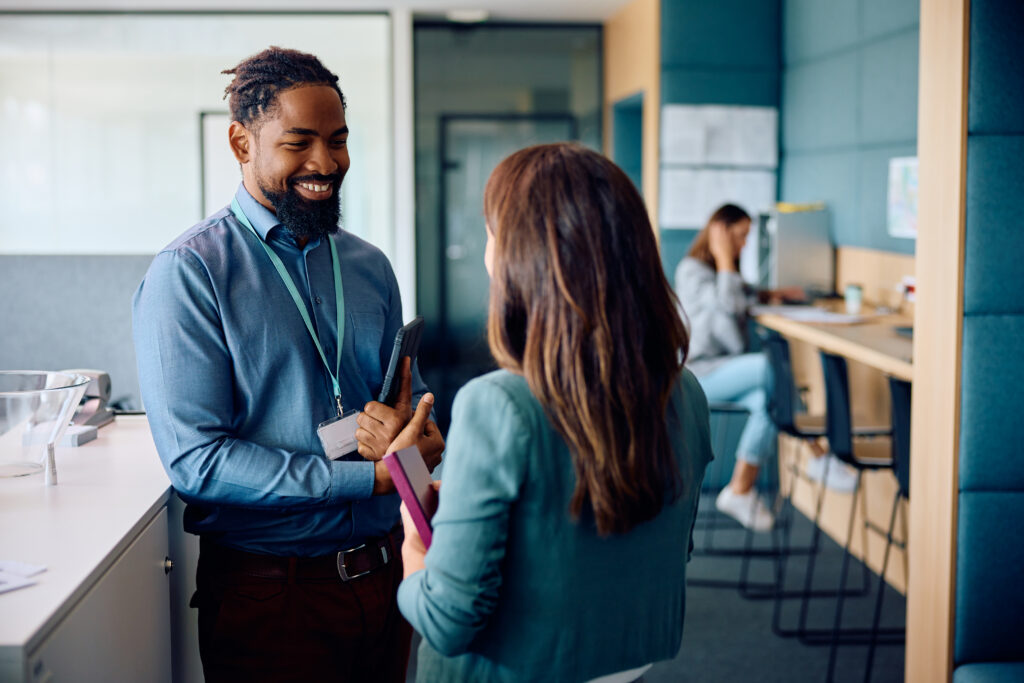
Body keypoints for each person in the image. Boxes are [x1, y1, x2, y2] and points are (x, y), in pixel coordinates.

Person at [132, 46, 442, 682]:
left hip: (385, 575)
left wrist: (421, 439)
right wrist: (371, 480)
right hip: (271, 592)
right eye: (299, 141)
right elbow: (198, 462)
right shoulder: (190, 273)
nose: (325, 163)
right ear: (241, 143)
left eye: (338, 140)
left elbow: (400, 407)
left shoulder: (368, 266)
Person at [364, 143, 714, 683]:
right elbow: (655, 549)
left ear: (516, 257)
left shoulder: (498, 404)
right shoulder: (686, 391)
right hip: (626, 662)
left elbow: (445, 620)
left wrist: (416, 533)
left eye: (490, 233)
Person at [674, 204, 808, 531]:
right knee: (769, 368)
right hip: (699, 374)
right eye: (740, 236)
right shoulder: (692, 271)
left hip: (722, 369)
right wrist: (722, 258)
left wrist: (770, 294)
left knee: (769, 402)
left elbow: (739, 295)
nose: (745, 245)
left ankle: (740, 489)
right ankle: (817, 450)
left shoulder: (717, 275)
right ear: (719, 232)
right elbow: (728, 320)